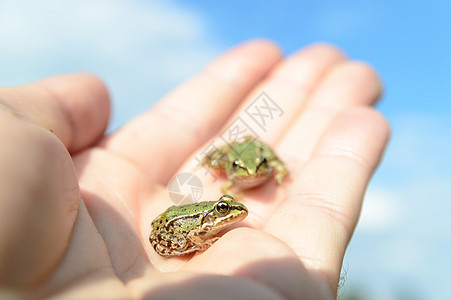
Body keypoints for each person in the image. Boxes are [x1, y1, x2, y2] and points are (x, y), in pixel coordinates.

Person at [0, 40, 389, 299]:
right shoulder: (204, 221)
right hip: (172, 231)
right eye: (224, 210)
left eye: (225, 209)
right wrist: (200, 241)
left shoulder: (235, 192)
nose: (230, 214)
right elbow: (177, 230)